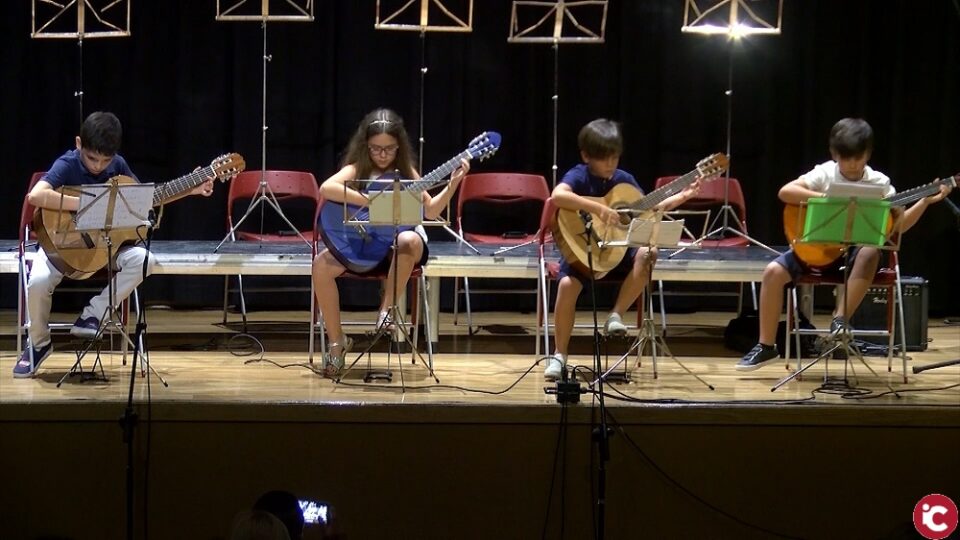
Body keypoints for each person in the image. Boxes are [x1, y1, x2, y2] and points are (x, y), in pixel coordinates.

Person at [736, 117, 953, 371]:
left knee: (871, 250)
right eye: (845, 158)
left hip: (855, 254)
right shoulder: (824, 172)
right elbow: (786, 192)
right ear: (834, 154)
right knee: (772, 272)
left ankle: (840, 319)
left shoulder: (879, 183)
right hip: (817, 250)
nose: (851, 165)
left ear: (868, 154)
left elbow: (899, 226)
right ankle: (766, 346)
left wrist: (924, 202)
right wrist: (826, 199)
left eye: (857, 158)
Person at [14, 111, 216, 378]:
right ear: (78, 144)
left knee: (146, 260)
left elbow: (143, 198)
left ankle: (94, 313)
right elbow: (37, 196)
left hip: (105, 248)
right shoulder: (68, 163)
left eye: (104, 160)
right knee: (38, 281)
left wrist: (190, 189)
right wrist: (89, 205)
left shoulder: (118, 165)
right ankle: (38, 344)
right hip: (64, 246)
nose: (98, 166)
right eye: (92, 158)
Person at [312, 107, 469, 377]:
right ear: (365, 146)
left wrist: (452, 185)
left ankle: (387, 308)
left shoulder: (406, 171)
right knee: (320, 265)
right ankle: (337, 343)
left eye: (389, 149)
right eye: (375, 149)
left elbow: (430, 212)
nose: (382, 155)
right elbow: (327, 188)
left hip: (402, 248)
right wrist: (372, 201)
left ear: (399, 147)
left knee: (408, 238)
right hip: (366, 245)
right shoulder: (356, 169)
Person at [545, 118, 702, 381]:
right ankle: (559, 355)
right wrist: (599, 209)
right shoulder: (578, 175)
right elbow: (558, 197)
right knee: (566, 286)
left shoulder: (624, 181)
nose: (610, 164)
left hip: (621, 250)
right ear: (586, 156)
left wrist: (682, 196)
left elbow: (648, 209)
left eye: (614, 157)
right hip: (586, 249)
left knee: (648, 253)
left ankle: (615, 315)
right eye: (603, 158)